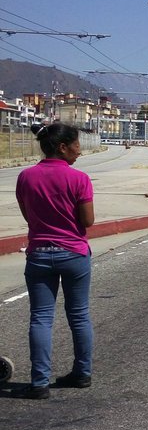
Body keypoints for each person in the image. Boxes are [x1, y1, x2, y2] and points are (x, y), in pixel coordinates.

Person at [15, 123, 95, 399]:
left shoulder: (26, 177)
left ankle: (39, 382)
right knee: (79, 315)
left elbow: (29, 216)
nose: (79, 150)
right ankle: (82, 373)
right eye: (76, 145)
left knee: (40, 318)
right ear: (62, 147)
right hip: (73, 253)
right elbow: (87, 221)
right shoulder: (79, 179)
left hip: (39, 254)